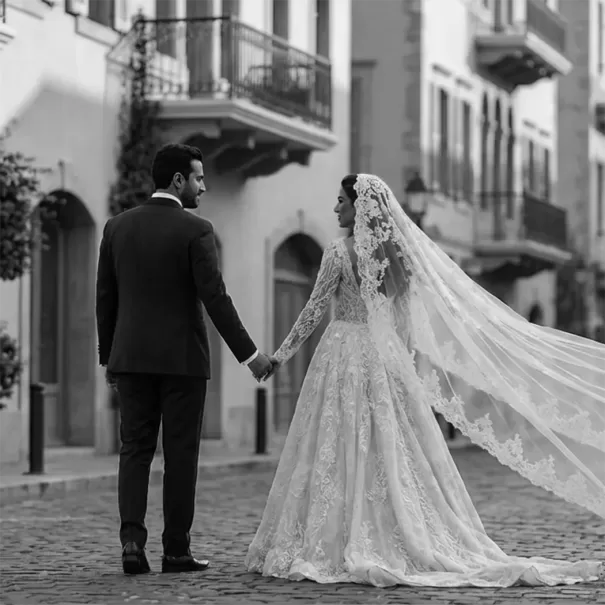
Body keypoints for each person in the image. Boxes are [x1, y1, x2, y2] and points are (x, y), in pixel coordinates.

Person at [245, 173, 605, 587]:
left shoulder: (338, 253)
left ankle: (340, 534)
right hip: (382, 355)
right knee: (387, 445)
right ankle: (392, 525)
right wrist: (400, 363)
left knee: (338, 440)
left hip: (343, 352)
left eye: (341, 200)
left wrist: (278, 356)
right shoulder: (398, 260)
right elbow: (404, 323)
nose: (335, 208)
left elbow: (312, 313)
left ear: (359, 207)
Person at [96, 143, 274, 575]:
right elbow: (214, 297)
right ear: (178, 180)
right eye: (198, 177)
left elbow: (105, 298)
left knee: (134, 452)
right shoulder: (196, 229)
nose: (203, 186)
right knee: (180, 457)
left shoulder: (117, 227)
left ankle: (132, 546)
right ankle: (176, 551)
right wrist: (249, 355)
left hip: (132, 360)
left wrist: (109, 358)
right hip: (183, 363)